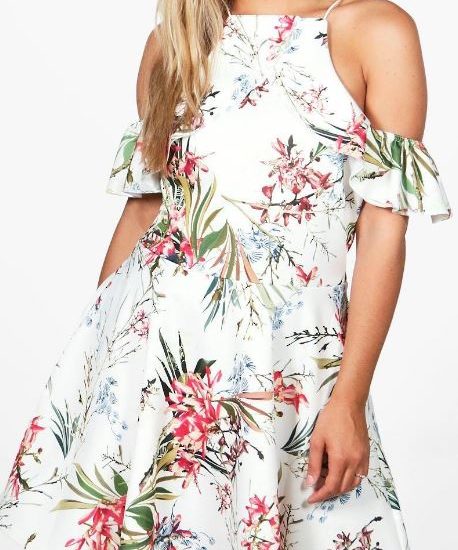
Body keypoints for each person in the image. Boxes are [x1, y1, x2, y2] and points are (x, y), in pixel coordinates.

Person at [0, 0, 452, 548]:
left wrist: (349, 398)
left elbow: (384, 231)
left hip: (285, 369)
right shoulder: (175, 41)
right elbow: (144, 213)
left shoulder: (373, 31)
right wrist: (99, 378)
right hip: (152, 364)